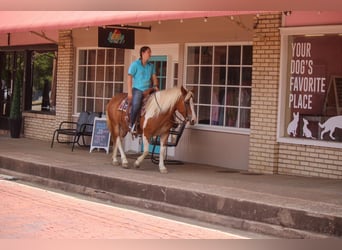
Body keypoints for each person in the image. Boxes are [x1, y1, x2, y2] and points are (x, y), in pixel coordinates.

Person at [127, 46, 158, 133]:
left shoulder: (151, 66)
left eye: (150, 52)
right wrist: (130, 93)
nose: (150, 54)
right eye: (149, 52)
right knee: (136, 104)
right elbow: (129, 78)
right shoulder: (135, 64)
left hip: (149, 89)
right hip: (138, 89)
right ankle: (132, 124)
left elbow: (154, 77)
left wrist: (155, 85)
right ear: (142, 53)